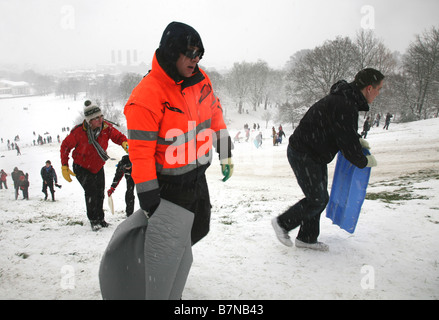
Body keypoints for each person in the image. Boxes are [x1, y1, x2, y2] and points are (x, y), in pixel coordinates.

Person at [124, 21, 233, 245]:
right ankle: (151, 271)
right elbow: (141, 153)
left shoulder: (201, 80)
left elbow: (214, 114)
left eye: (200, 54)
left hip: (198, 177)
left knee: (200, 229)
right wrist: (149, 199)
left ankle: (174, 261)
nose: (197, 59)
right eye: (192, 53)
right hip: (168, 187)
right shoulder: (146, 96)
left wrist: (225, 151)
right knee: (167, 242)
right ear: (173, 51)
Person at [272, 68, 383, 251]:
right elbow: (347, 142)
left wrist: (356, 141)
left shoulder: (346, 100)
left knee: (319, 197)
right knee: (318, 198)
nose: (379, 93)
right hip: (303, 152)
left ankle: (306, 238)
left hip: (314, 153)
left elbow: (343, 132)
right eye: (379, 89)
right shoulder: (345, 104)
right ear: (369, 88)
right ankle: (283, 223)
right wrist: (363, 161)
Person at [60, 100, 128, 231]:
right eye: (96, 118)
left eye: (101, 116)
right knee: (91, 192)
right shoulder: (78, 132)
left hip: (97, 166)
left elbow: (118, 137)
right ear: (89, 121)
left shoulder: (106, 128)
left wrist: (125, 143)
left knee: (100, 193)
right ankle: (93, 220)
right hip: (82, 167)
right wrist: (64, 166)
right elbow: (65, 147)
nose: (100, 120)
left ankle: (101, 219)